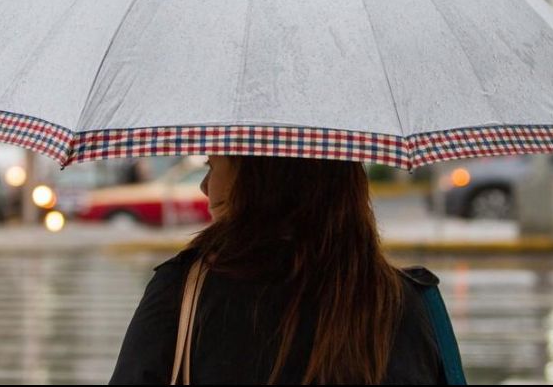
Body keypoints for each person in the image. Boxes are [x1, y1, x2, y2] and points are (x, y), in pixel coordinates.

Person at [109, 155, 453, 384]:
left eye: (212, 166)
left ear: (256, 180)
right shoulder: (402, 302)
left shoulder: (182, 293)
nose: (204, 186)